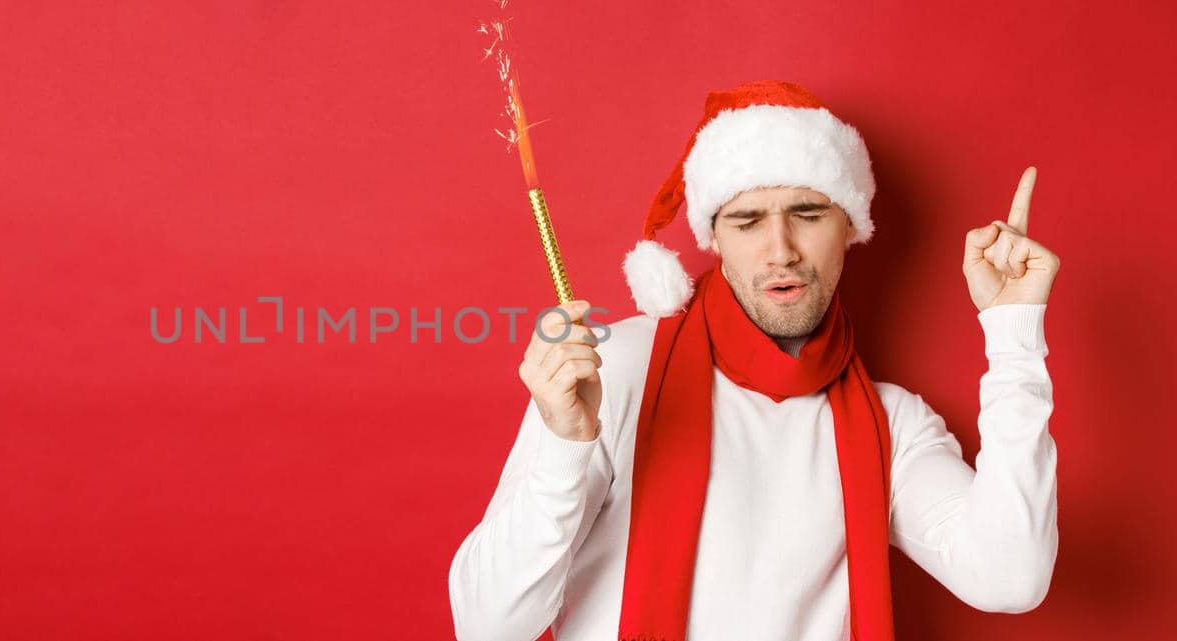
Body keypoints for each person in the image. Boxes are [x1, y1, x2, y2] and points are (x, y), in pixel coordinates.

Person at [447, 80, 1060, 641]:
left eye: (808, 213)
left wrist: (1014, 333)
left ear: (850, 227)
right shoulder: (612, 372)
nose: (780, 250)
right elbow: (488, 626)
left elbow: (1010, 577)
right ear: (715, 238)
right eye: (747, 221)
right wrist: (564, 445)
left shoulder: (890, 424)